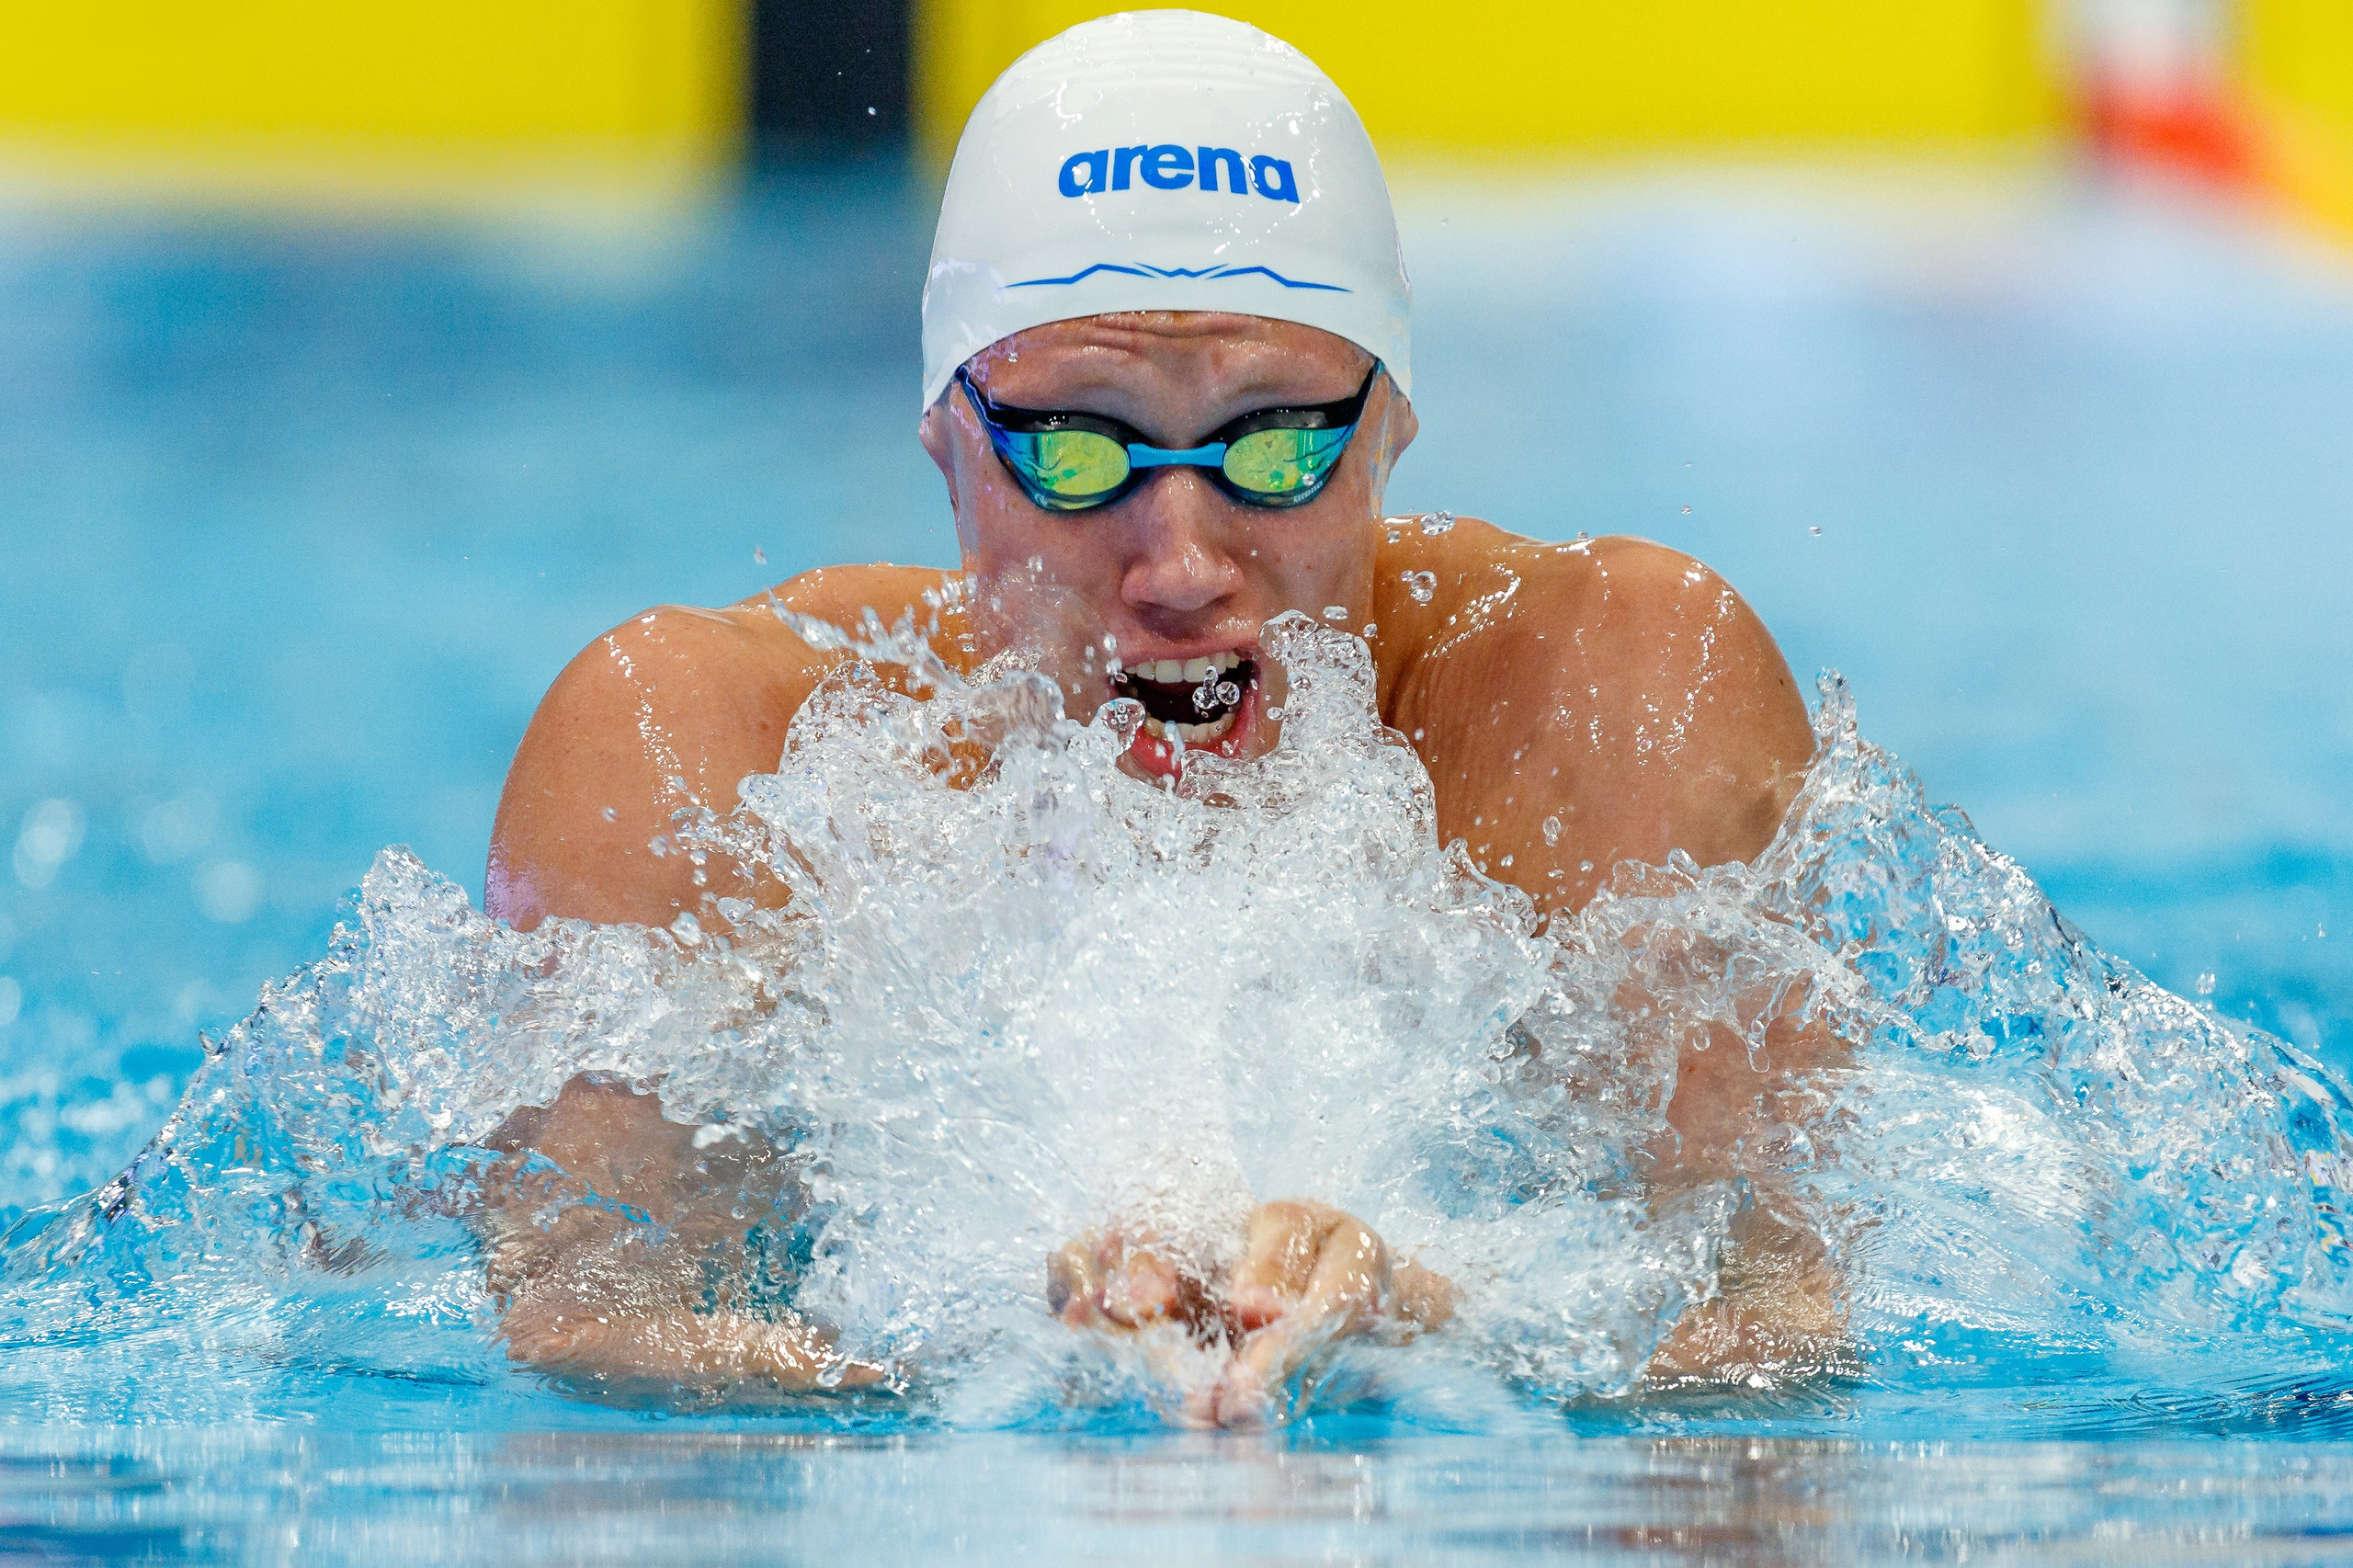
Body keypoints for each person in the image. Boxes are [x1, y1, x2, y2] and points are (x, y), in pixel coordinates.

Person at [478, 10, 1840, 1423]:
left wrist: (1434, 1318)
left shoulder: (1614, 707)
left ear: (1391, 427)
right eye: (1077, 449)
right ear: (946, 431)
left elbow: (1781, 1337)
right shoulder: (704, 764)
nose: (1183, 565)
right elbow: (591, 1348)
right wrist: (1010, 1355)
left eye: (1277, 446)